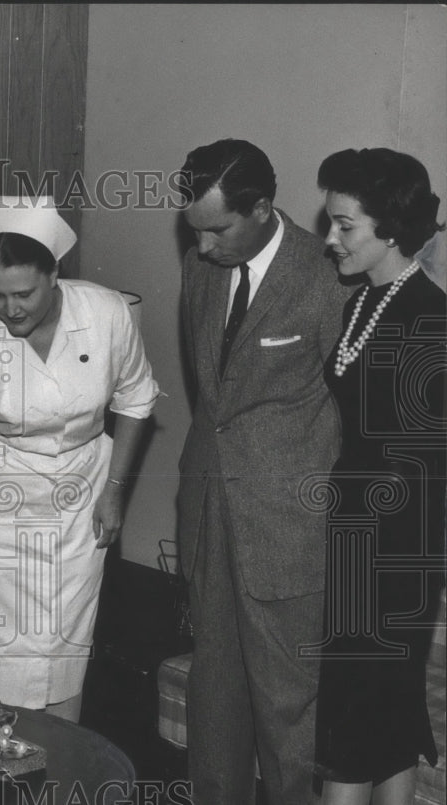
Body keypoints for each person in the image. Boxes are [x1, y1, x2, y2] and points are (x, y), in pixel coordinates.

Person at [0, 195, 160, 723]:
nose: (11, 309)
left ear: (56, 274)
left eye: (24, 292)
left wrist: (115, 492)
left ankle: (62, 771)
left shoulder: (106, 313)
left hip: (81, 503)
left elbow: (137, 399)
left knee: (65, 651)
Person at [176, 138, 352, 805]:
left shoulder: (326, 274)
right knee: (213, 697)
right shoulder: (204, 263)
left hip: (288, 526)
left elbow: (353, 412)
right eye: (195, 230)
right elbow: (209, 400)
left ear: (262, 209)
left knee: (289, 714)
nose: (203, 246)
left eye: (219, 229)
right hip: (210, 513)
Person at [313, 148, 445, 805]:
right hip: (358, 539)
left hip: (394, 554)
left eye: (346, 226)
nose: (330, 238)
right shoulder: (363, 305)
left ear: (391, 227)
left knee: (354, 718)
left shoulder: (428, 317)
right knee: (383, 722)